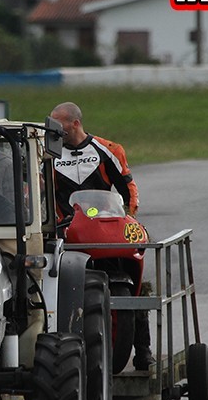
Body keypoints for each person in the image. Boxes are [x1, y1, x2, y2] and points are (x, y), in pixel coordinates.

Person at [49, 101, 153, 371]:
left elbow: (128, 187)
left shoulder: (109, 149)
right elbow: (40, 192)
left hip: (106, 227)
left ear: (75, 123)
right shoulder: (48, 155)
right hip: (68, 232)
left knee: (139, 283)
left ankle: (143, 350)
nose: (55, 132)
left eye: (59, 126)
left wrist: (129, 216)